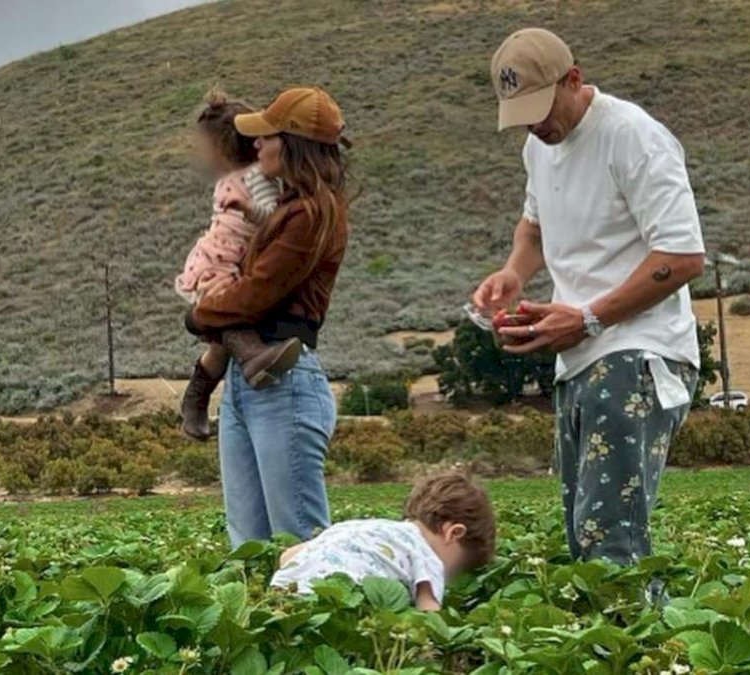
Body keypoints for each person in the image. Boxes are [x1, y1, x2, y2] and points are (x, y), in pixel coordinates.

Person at [471, 29, 706, 585]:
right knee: (586, 539)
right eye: (520, 114)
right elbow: (532, 227)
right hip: (576, 358)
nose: (533, 125)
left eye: (540, 108)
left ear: (573, 80)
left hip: (637, 354)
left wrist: (590, 317)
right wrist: (512, 274)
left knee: (611, 542)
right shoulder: (540, 145)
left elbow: (684, 254)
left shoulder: (633, 138)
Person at [186, 87, 350, 548]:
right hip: (250, 381)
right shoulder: (286, 207)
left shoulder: (313, 214)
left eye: (268, 137)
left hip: (285, 382)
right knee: (250, 549)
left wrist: (199, 314)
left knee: (298, 543)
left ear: (294, 143)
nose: (256, 146)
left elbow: (254, 296)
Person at [175, 89, 299, 441]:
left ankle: (195, 402)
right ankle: (253, 358)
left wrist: (246, 210)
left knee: (220, 341)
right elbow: (271, 220)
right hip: (219, 261)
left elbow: (270, 217)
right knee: (227, 325)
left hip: (228, 260)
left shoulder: (255, 178)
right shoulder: (242, 179)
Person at [271, 472, 496, 611]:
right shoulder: (426, 555)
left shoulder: (365, 526)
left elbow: (288, 555)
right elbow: (428, 616)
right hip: (333, 604)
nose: (447, 577)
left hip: (281, 594)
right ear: (453, 533)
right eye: (455, 568)